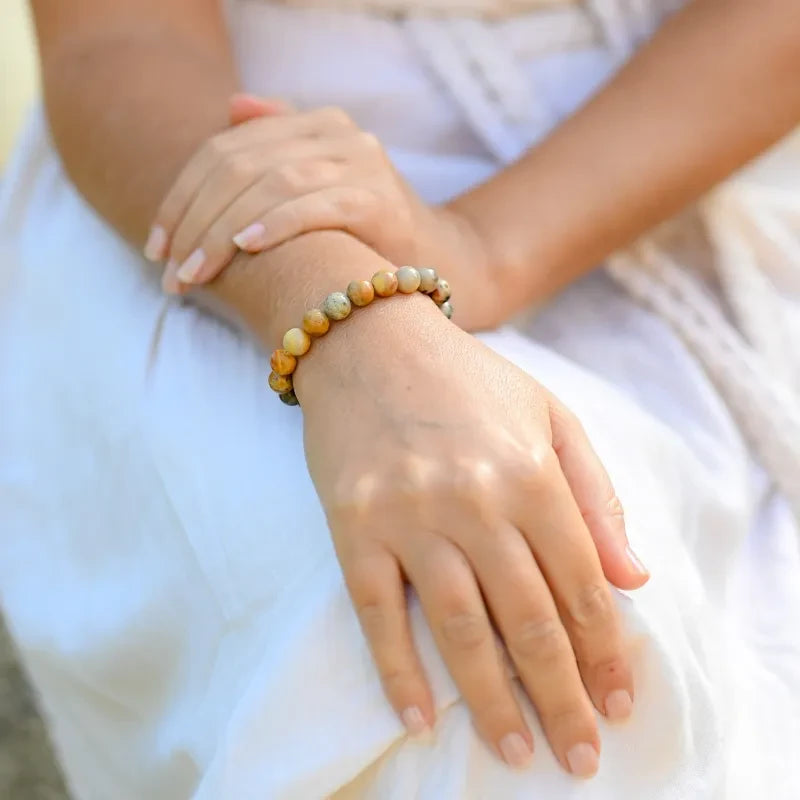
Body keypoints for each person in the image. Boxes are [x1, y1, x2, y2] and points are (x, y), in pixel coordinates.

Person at [0, 0, 798, 797]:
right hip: (213, 169)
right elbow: (121, 35)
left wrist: (483, 245)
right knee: (455, 657)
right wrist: (351, 318)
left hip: (684, 127)